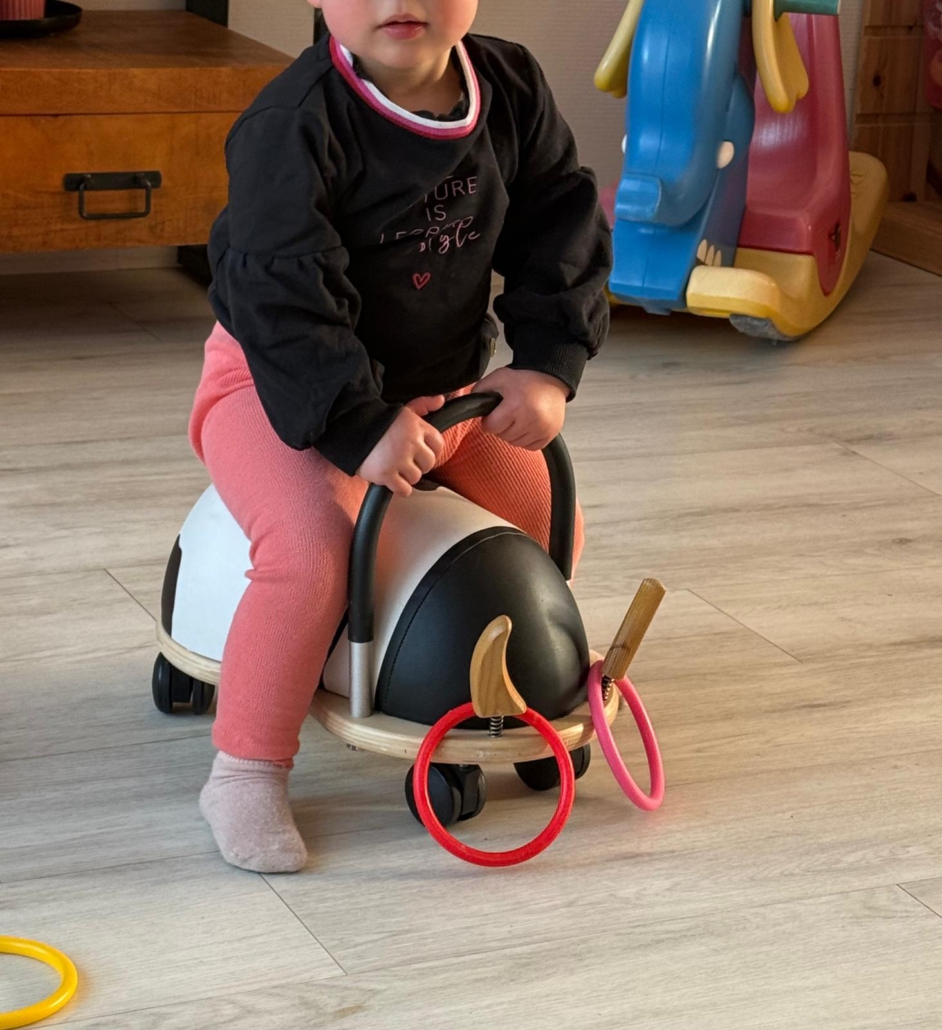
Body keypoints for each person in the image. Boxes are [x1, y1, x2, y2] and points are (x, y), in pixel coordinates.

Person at [190, 0, 613, 873]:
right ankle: (247, 766)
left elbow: (560, 225)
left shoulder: (510, 86)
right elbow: (280, 294)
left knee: (549, 516)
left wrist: (546, 363)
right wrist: (356, 420)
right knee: (313, 551)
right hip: (280, 391)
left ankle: (523, 677)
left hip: (443, 395)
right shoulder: (292, 125)